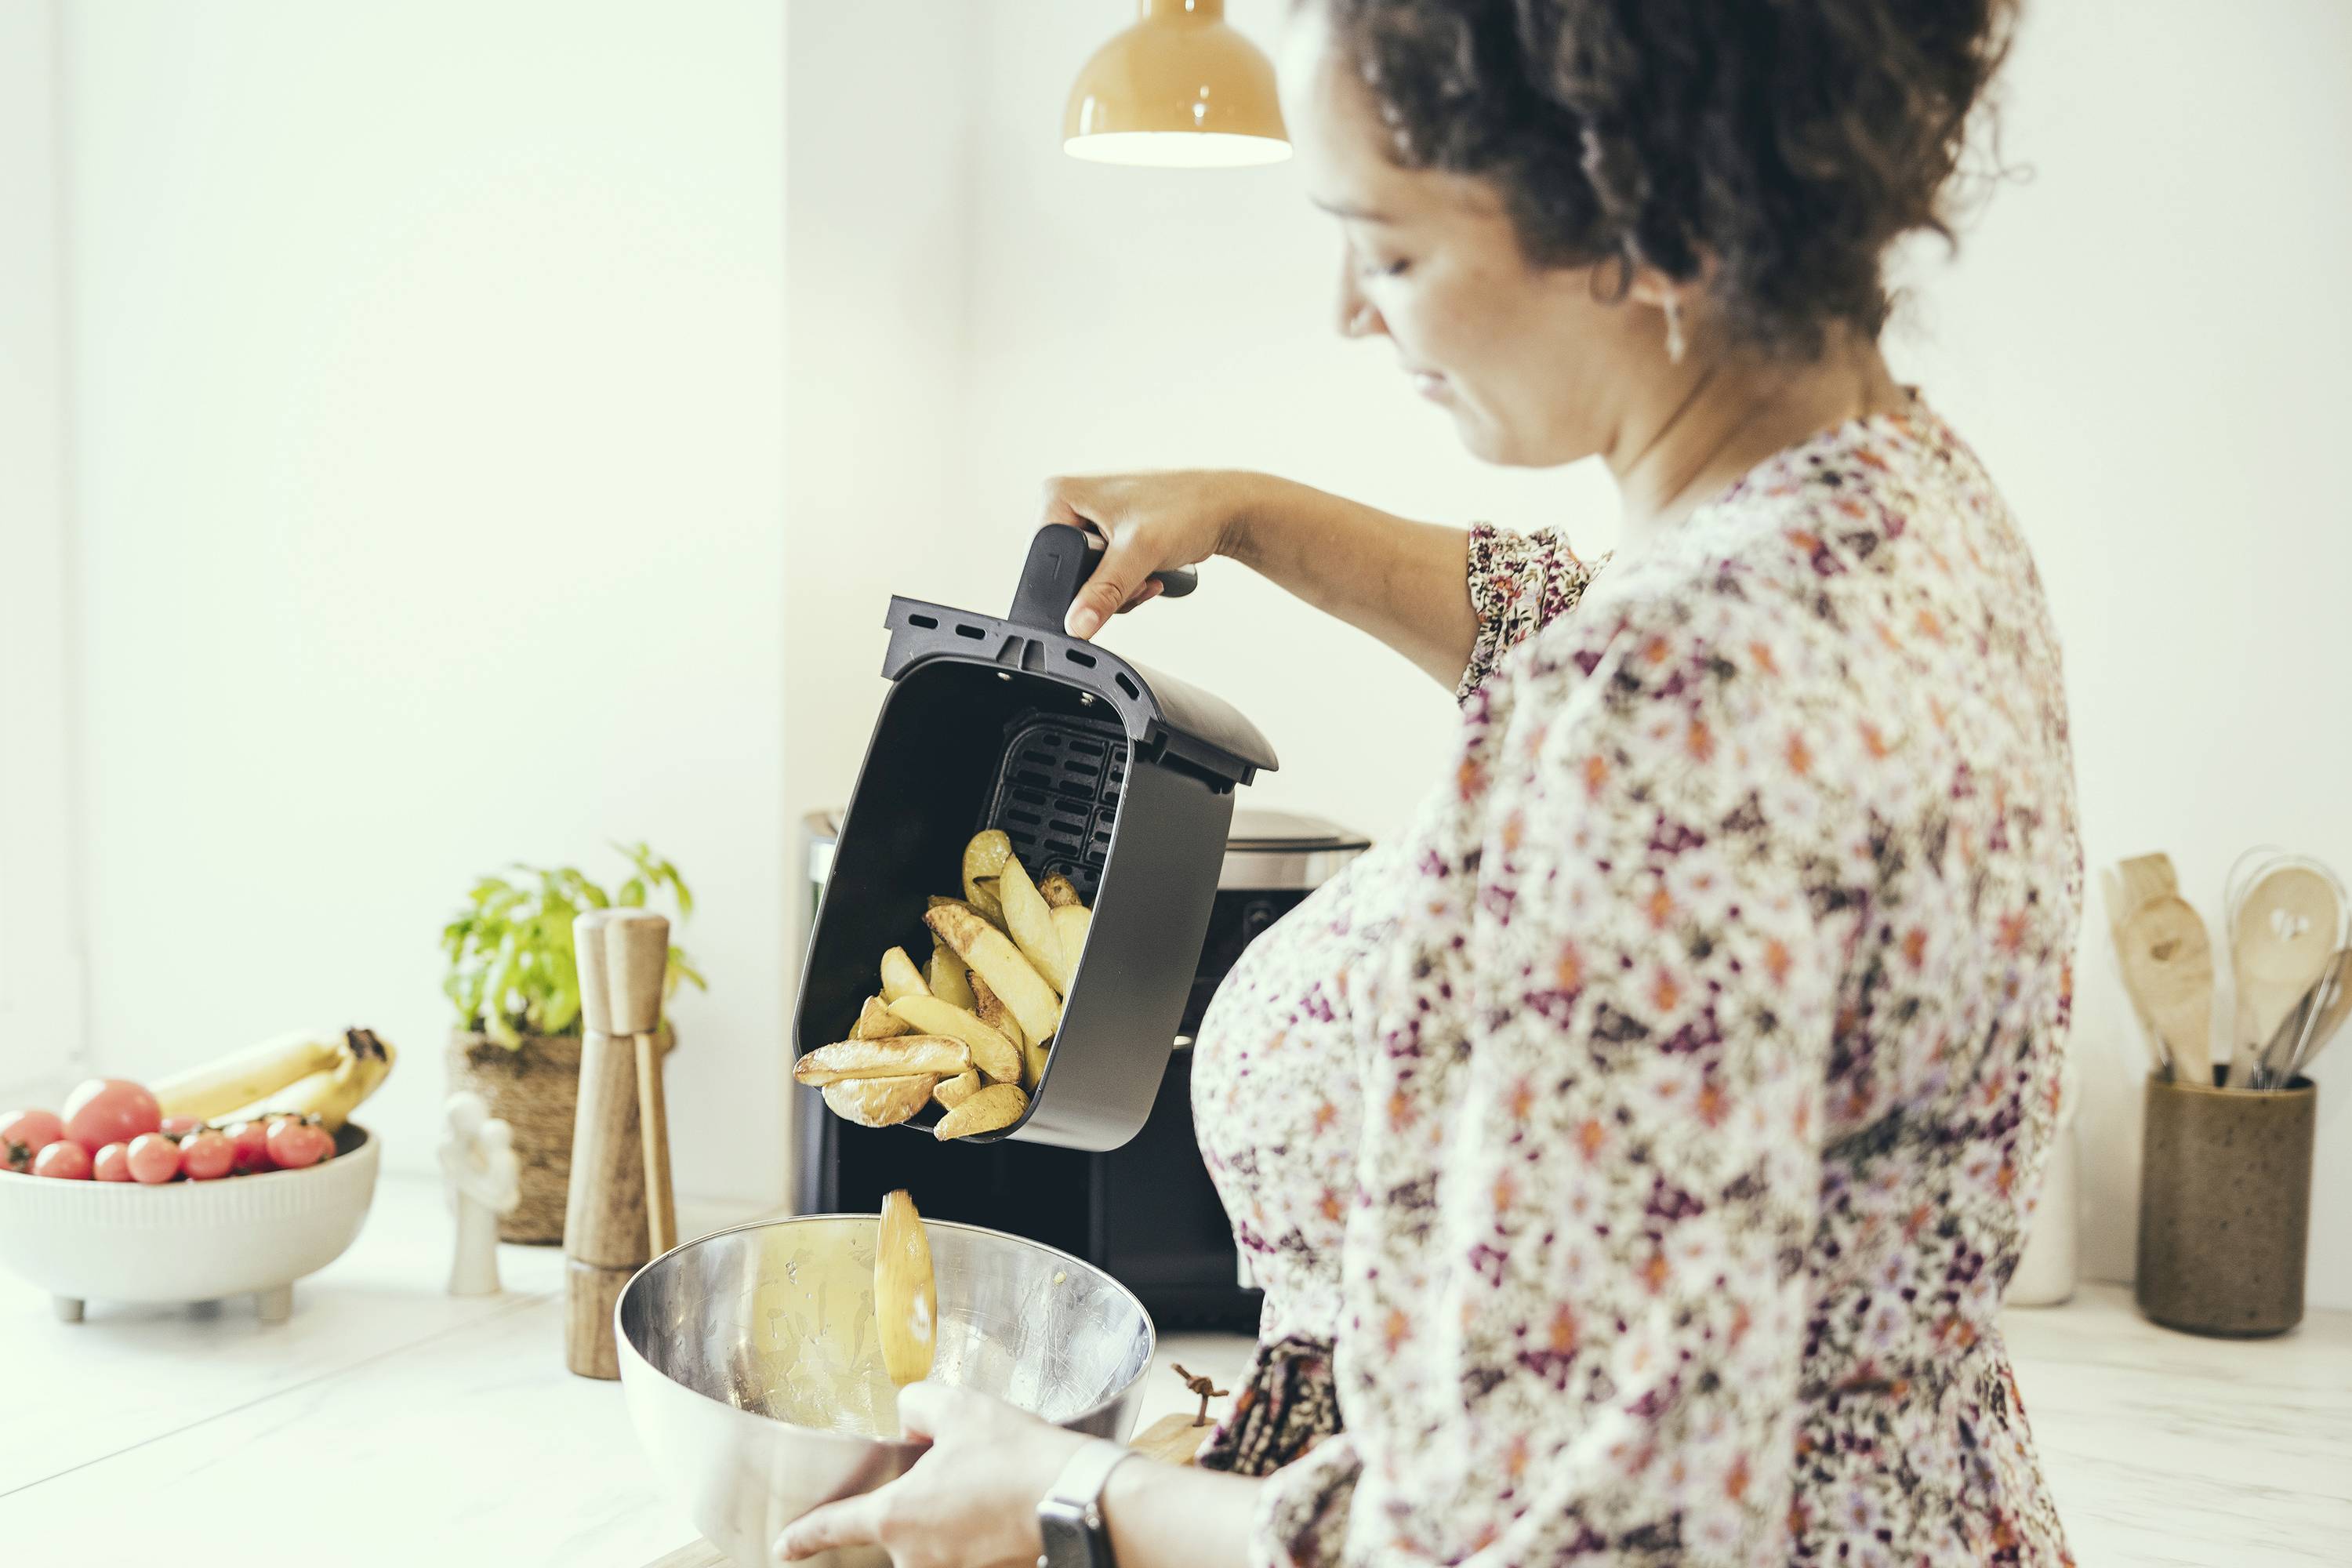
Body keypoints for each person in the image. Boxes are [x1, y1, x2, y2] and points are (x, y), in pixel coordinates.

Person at [782, 0, 2075, 1562]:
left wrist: (1070, 1493)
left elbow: (1550, 1536)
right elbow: (1573, 620)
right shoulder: (1900, 500)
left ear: (1642, 214)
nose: (1347, 308)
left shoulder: (1663, 709)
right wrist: (1247, 511)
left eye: (1385, 250)